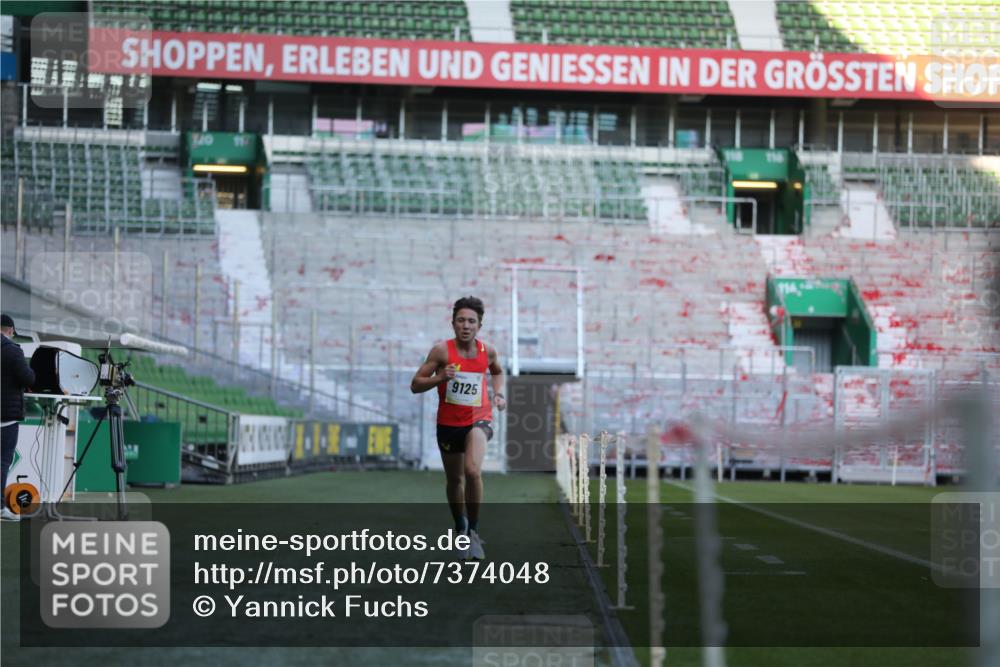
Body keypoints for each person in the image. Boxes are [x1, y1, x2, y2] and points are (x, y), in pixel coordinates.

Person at [410, 296, 505, 560]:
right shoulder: (441, 351)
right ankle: (460, 528)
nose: (466, 325)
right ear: (453, 323)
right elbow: (415, 384)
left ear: (479, 325)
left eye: (471, 321)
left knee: (472, 470)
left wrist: (498, 394)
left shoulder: (488, 352)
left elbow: (497, 371)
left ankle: (474, 532)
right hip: (449, 423)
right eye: (461, 320)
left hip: (479, 418)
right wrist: (440, 377)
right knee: (455, 480)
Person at [1, 314, 35, 521]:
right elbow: (28, 378)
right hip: (5, 418)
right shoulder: (13, 351)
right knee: (2, 461)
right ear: (11, 330)